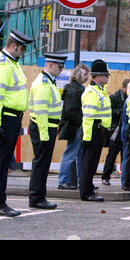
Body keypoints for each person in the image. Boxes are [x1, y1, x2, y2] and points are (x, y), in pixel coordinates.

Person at [0, 29, 33, 217]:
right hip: (7, 117)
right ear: (13, 46)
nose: (22, 53)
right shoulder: (5, 65)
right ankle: (0, 202)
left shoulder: (12, 63)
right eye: (21, 49)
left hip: (13, 118)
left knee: (3, 162)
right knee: (2, 163)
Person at [28, 53, 67, 210]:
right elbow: (41, 111)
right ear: (50, 65)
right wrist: (44, 134)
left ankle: (39, 196)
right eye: (59, 66)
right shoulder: (44, 83)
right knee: (41, 164)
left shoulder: (48, 82)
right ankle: (37, 198)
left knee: (42, 164)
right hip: (43, 127)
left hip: (47, 127)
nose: (61, 69)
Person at [79, 59, 112, 202]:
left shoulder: (99, 90)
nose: (107, 78)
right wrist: (87, 137)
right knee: (89, 162)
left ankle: (89, 188)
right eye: (106, 75)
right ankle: (86, 192)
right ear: (98, 76)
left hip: (98, 130)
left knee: (92, 162)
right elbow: (88, 117)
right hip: (92, 130)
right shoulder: (92, 92)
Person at [58, 64, 91, 190]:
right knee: (72, 153)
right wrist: (80, 122)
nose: (87, 77)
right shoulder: (74, 90)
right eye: (85, 74)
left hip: (76, 125)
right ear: (77, 75)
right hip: (75, 126)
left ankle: (77, 180)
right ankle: (63, 181)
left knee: (76, 154)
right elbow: (71, 111)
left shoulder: (75, 89)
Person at [101, 79, 130, 185]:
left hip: (124, 130)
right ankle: (105, 176)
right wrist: (120, 112)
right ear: (124, 87)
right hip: (115, 130)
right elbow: (109, 112)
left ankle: (125, 178)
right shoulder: (114, 97)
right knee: (112, 155)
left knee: (125, 155)